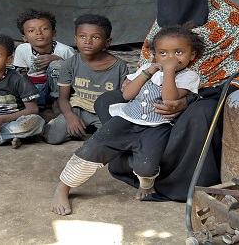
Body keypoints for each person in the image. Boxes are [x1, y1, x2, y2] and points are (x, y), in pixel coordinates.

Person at [94, 0, 239, 201]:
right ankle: (137, 166)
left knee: (199, 115)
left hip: (209, 94)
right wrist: (139, 81)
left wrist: (189, 99)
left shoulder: (232, 19)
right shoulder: (163, 22)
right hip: (159, 89)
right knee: (107, 101)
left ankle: (177, 183)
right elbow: (150, 61)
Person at [50, 25, 205, 215]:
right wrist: (146, 73)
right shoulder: (149, 69)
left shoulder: (189, 76)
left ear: (192, 55)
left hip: (157, 127)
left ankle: (146, 184)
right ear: (155, 55)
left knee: (146, 166)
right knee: (93, 147)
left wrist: (169, 72)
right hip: (126, 120)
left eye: (178, 52)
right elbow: (127, 94)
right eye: (163, 53)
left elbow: (170, 99)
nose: (170, 58)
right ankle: (63, 187)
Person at [42, 14, 128, 145]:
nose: (88, 41)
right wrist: (70, 117)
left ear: (107, 42)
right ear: (75, 39)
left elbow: (125, 97)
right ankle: (55, 122)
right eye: (82, 36)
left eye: (96, 37)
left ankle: (87, 130)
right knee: (53, 138)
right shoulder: (70, 64)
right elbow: (63, 98)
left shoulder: (119, 66)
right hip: (78, 108)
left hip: (104, 112)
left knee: (112, 141)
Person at [13, 8, 75, 119]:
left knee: (57, 65)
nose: (38, 33)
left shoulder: (65, 51)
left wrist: (57, 59)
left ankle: (57, 105)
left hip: (60, 92)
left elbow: (75, 76)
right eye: (31, 31)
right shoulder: (22, 49)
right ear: (25, 38)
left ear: (54, 33)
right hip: (33, 91)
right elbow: (20, 75)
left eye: (45, 28)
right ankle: (36, 107)